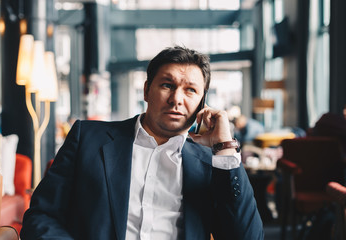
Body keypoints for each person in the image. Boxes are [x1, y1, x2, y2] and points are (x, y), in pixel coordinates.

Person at [20, 46, 263, 240]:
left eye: (190, 90)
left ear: (202, 104)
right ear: (147, 91)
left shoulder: (211, 162)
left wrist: (225, 147)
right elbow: (41, 216)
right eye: (167, 85)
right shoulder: (88, 138)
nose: (176, 99)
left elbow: (247, 236)